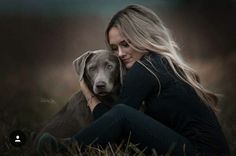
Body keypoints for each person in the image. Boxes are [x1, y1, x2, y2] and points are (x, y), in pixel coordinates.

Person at [37, 4, 230, 155]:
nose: (120, 53)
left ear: (141, 37)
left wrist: (88, 94)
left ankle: (63, 149)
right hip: (200, 149)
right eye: (114, 48)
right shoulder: (162, 63)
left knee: (122, 112)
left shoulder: (147, 68)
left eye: (125, 44)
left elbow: (115, 122)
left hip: (197, 152)